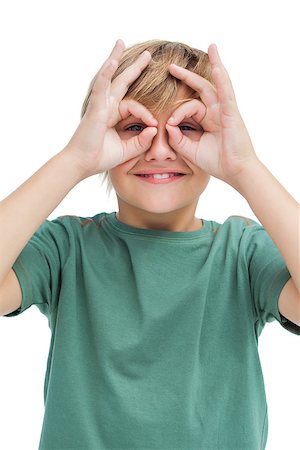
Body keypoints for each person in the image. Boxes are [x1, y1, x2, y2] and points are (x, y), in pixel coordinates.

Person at [0, 38, 299, 449]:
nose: (159, 151)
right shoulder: (66, 248)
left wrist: (244, 167)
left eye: (187, 128)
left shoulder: (243, 252)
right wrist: (75, 159)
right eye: (135, 128)